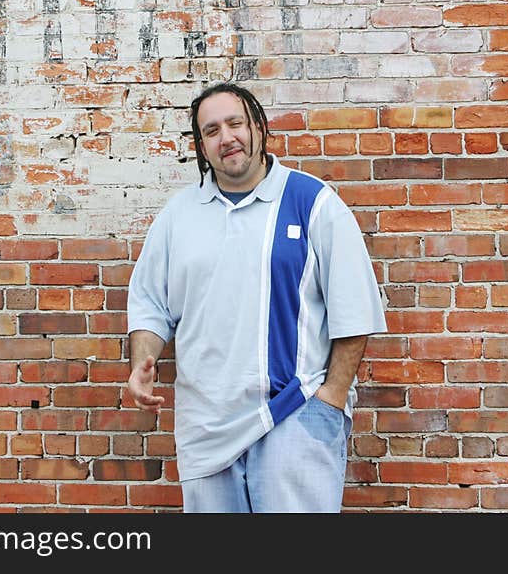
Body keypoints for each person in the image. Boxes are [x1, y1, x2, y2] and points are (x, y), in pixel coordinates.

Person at [126, 82, 387, 512]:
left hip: (292, 414)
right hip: (206, 427)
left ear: (259, 129)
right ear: (201, 147)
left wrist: (331, 397)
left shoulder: (313, 203)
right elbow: (151, 304)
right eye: (211, 131)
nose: (226, 137)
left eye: (235, 123)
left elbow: (354, 307)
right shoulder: (179, 216)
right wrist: (142, 363)